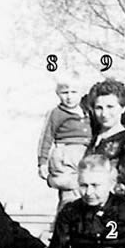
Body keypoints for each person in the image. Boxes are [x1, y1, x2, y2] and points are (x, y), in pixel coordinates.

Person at [37, 72, 92, 209]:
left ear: (81, 93)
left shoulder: (86, 110)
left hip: (84, 152)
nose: (69, 97)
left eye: (74, 92)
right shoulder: (56, 113)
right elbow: (46, 136)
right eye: (64, 92)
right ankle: (64, 220)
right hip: (65, 152)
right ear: (58, 94)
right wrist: (42, 162)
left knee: (83, 189)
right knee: (69, 192)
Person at [85, 79, 125, 199]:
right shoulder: (94, 138)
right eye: (99, 108)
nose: (104, 114)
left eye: (110, 107)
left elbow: (124, 180)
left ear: (123, 108)